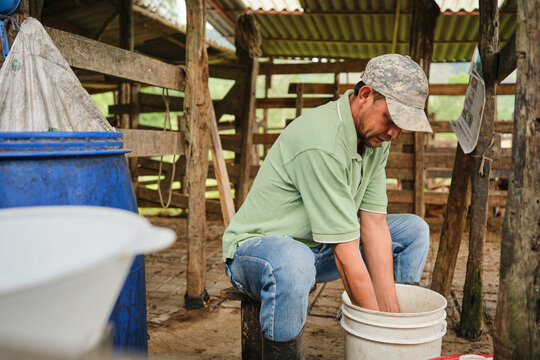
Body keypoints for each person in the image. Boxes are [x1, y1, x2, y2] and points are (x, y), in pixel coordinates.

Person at [222, 54, 432, 359]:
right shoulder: (321, 139)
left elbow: (373, 226)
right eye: (390, 119)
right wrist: (377, 333)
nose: (394, 133)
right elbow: (345, 251)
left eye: (401, 125)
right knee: (292, 261)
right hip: (259, 254)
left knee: (414, 230)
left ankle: (382, 322)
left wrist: (390, 326)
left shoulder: (374, 139)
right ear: (365, 95)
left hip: (316, 250)